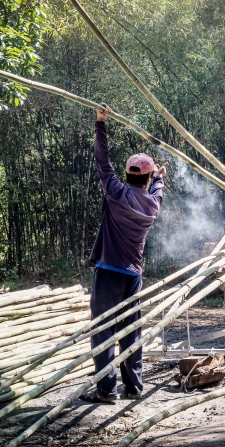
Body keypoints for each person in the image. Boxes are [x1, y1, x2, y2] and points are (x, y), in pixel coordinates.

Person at [82, 103, 166, 403]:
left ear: (128, 175)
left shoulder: (116, 193)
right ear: (147, 178)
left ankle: (106, 390)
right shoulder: (153, 204)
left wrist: (100, 123)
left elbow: (103, 163)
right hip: (133, 276)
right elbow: (157, 187)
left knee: (104, 330)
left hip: (109, 273)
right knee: (131, 330)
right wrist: (159, 177)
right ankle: (134, 387)